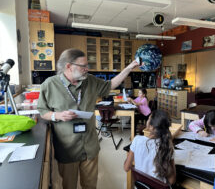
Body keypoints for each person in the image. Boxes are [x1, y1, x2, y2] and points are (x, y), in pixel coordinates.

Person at [37, 48, 139, 189]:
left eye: (87, 65)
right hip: (67, 149)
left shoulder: (90, 80)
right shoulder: (50, 84)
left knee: (90, 185)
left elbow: (111, 85)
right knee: (69, 186)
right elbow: (42, 111)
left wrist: (128, 68)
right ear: (68, 66)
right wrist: (57, 115)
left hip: (90, 146)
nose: (87, 69)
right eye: (83, 66)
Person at [124, 110, 176, 185]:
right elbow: (172, 181)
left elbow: (126, 168)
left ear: (151, 126)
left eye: (148, 118)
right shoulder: (168, 147)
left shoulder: (137, 140)